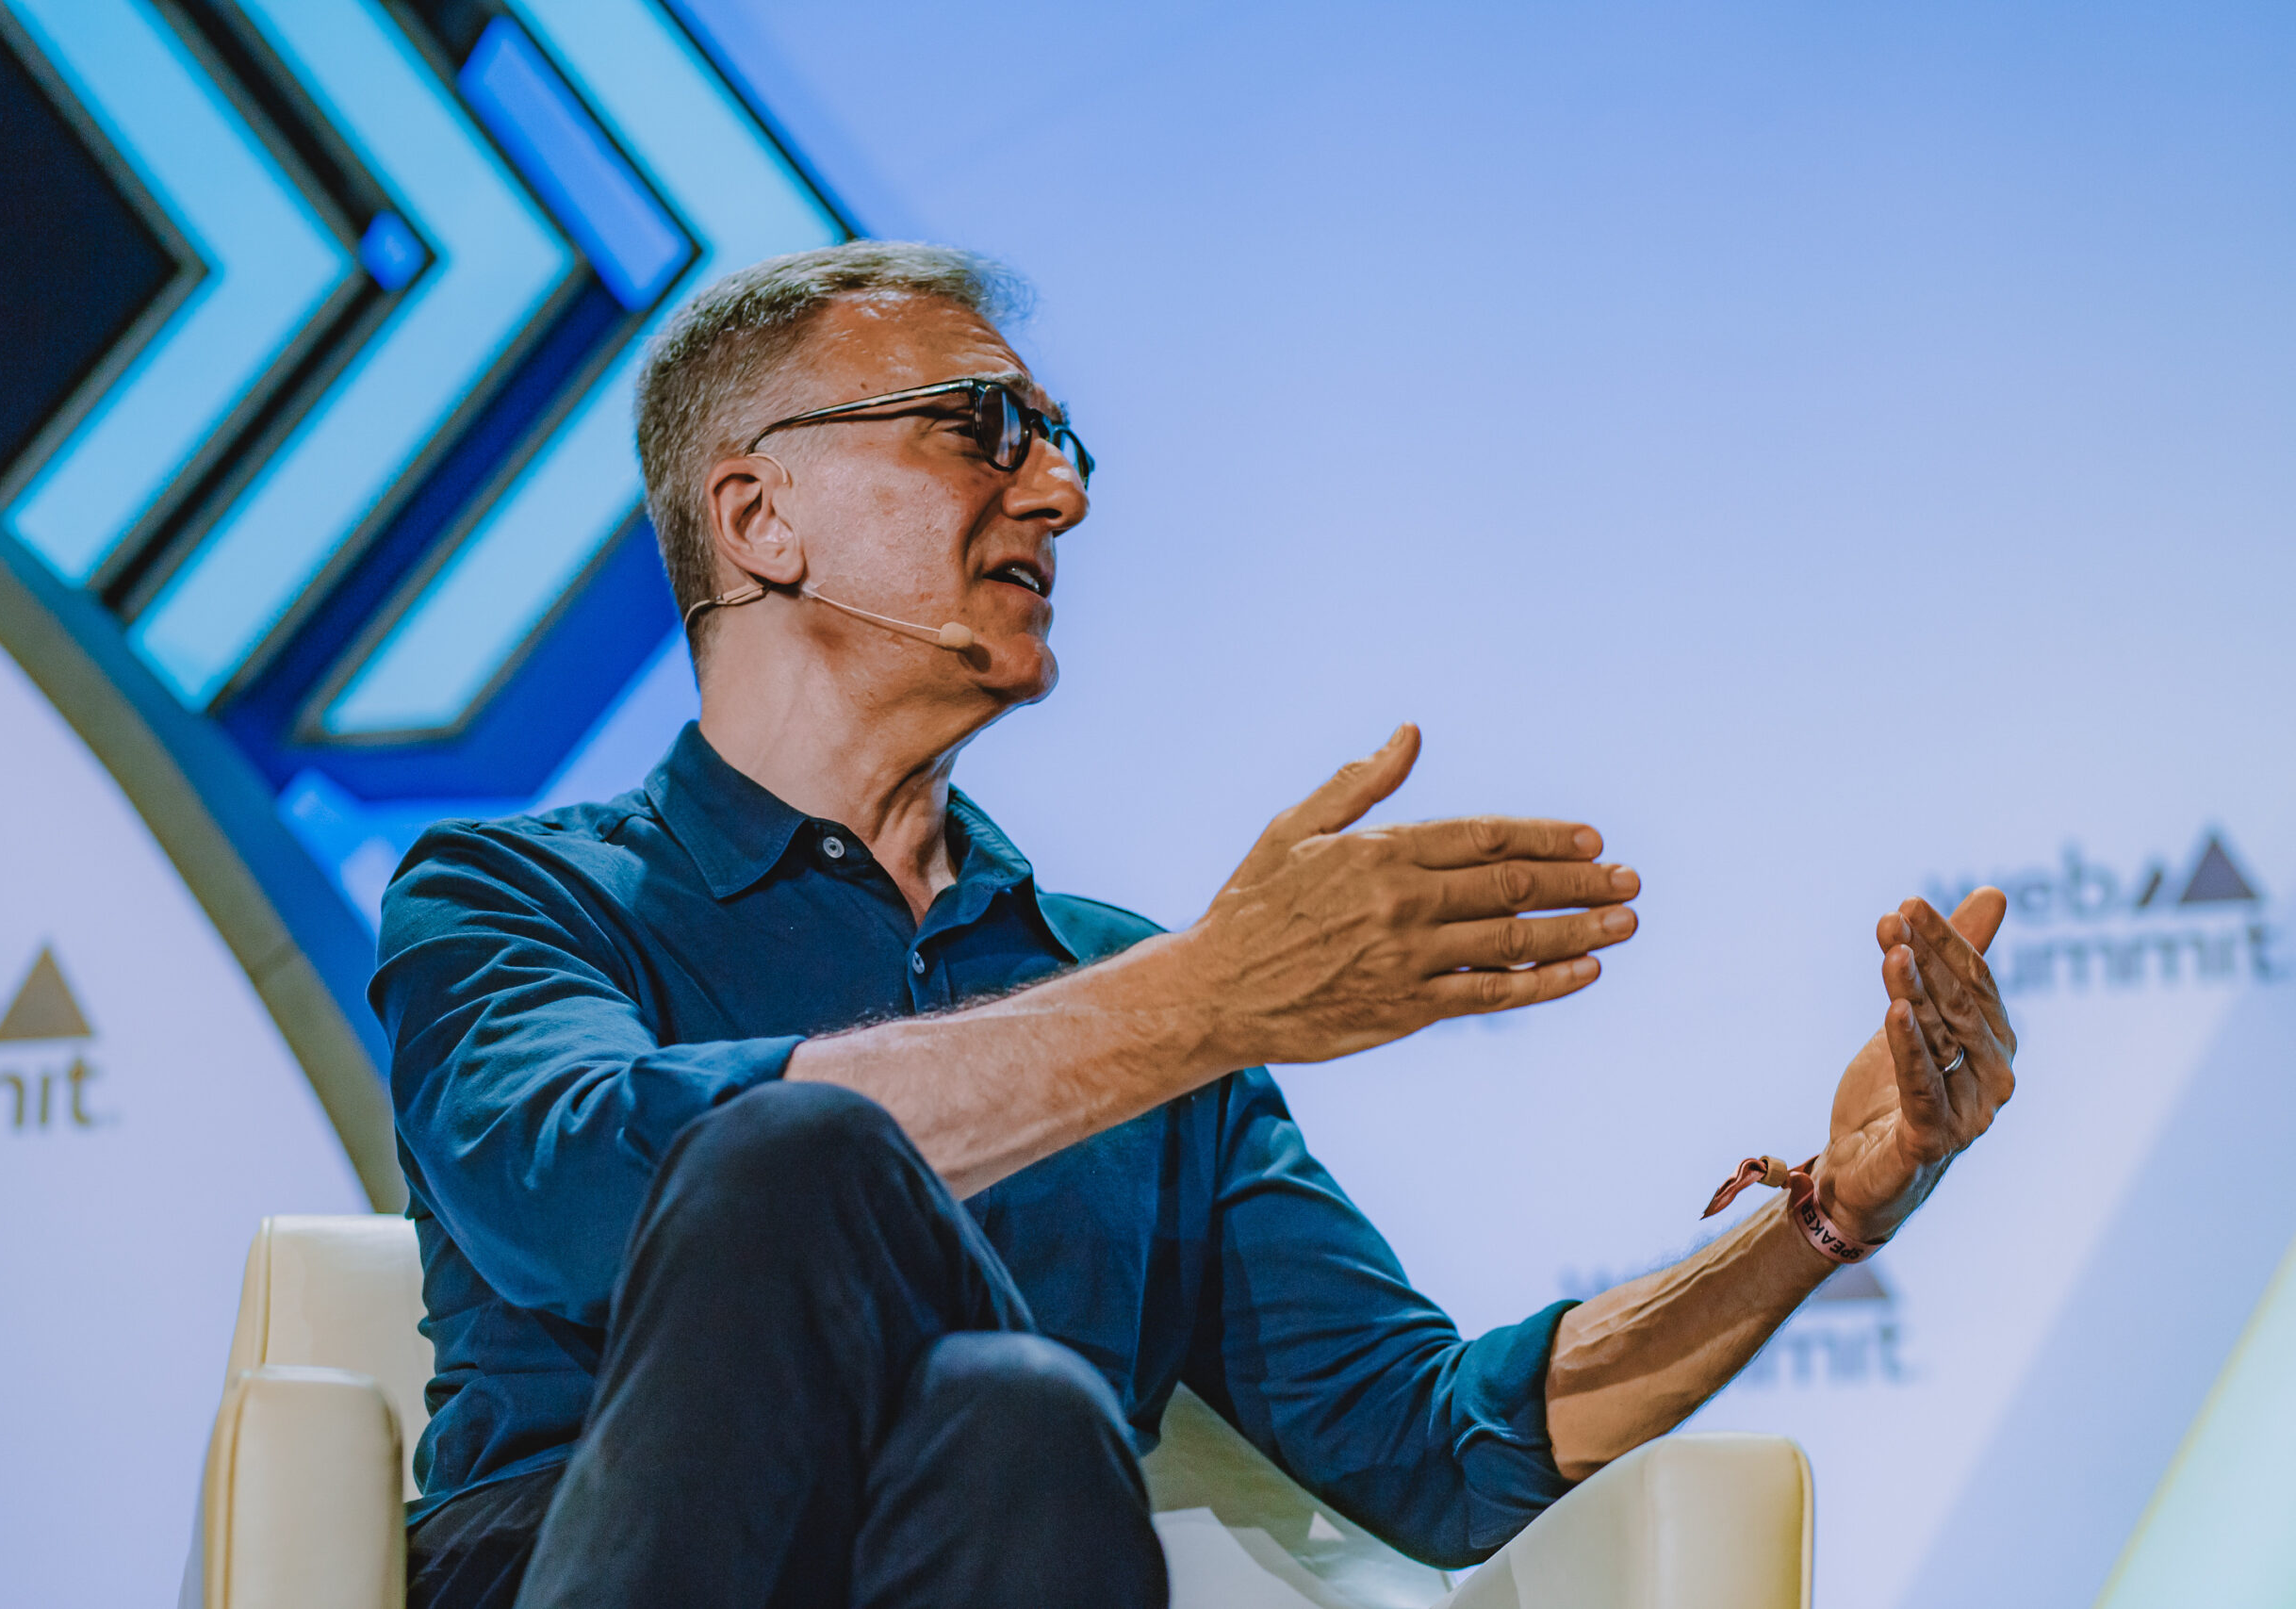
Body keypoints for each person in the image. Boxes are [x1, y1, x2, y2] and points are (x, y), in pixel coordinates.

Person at [375, 242, 2017, 1609]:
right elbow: (582, 1195)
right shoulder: (515, 897)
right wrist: (1194, 1006)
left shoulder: (1129, 975)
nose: (1061, 497)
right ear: (758, 520)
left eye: (1064, 444)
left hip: (995, 1554)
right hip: (587, 1564)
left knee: (1017, 1421)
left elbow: (1432, 1449)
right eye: (985, 426)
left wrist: (1828, 1217)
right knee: (795, 1164)